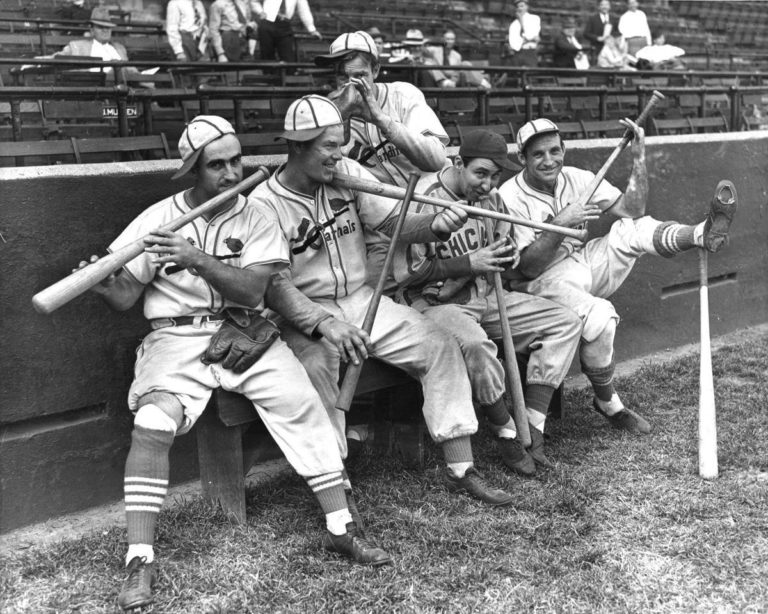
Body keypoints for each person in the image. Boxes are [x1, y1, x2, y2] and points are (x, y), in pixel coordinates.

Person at [76, 115, 393, 610]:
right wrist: (101, 283)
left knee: (303, 404)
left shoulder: (257, 214)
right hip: (176, 337)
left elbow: (251, 289)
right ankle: (140, 558)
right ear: (192, 171)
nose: (230, 173)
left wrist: (194, 256)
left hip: (244, 329)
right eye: (216, 165)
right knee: (154, 420)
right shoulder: (157, 217)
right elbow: (124, 296)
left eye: (235, 161)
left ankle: (340, 527)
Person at [255, 94, 516, 507]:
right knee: (316, 367)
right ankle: (336, 483)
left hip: (362, 298)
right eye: (328, 145)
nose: (337, 154)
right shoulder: (265, 205)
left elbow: (396, 223)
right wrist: (324, 325)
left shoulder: (346, 173)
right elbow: (275, 285)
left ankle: (461, 467)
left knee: (439, 346)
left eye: (340, 143)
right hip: (306, 309)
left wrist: (434, 224)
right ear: (296, 146)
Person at [498, 118, 738, 441]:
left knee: (629, 230)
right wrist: (560, 222)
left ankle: (699, 234)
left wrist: (639, 158)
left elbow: (633, 208)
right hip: (537, 284)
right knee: (602, 318)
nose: (549, 160)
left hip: (579, 265)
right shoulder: (510, 196)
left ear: (564, 150)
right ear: (521, 158)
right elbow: (526, 268)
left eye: (555, 151)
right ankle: (608, 403)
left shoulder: (578, 178)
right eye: (538, 154)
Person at [390, 129, 583, 473]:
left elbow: (502, 245)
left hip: (485, 294)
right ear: (459, 162)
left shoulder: (490, 198)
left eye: (496, 176)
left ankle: (533, 427)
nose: (488, 185)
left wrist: (497, 257)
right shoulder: (425, 198)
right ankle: (507, 430)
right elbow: (405, 275)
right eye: (481, 173)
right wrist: (468, 264)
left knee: (564, 322)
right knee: (477, 345)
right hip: (433, 304)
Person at [315, 30, 451, 284]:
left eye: (360, 76)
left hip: (436, 208)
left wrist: (382, 120)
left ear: (376, 70)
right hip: (386, 230)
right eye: (342, 77)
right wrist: (339, 116)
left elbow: (435, 160)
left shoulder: (403, 95)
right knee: (371, 296)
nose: (351, 85)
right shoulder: (326, 112)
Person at [251, 0, 322, 63]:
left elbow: (303, 9)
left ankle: (288, 74)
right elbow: (253, 1)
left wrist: (312, 29)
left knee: (288, 57)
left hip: (284, 24)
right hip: (267, 22)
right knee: (267, 56)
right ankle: (268, 75)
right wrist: (260, 12)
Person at [425, 29, 492, 89]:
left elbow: (457, 71)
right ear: (443, 39)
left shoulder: (457, 55)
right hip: (440, 75)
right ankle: (444, 82)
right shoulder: (434, 50)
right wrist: (424, 41)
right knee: (428, 62)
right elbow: (422, 49)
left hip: (453, 79)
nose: (450, 41)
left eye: (452, 39)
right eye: (447, 39)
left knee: (466, 63)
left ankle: (482, 81)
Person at [507, 0, 540, 67]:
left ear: (527, 7)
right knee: (517, 74)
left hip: (530, 52)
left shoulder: (534, 19)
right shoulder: (514, 24)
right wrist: (524, 41)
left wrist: (521, 21)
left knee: (530, 74)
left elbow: (530, 35)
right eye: (518, 7)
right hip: (518, 52)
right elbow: (513, 42)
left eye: (522, 6)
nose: (520, 8)